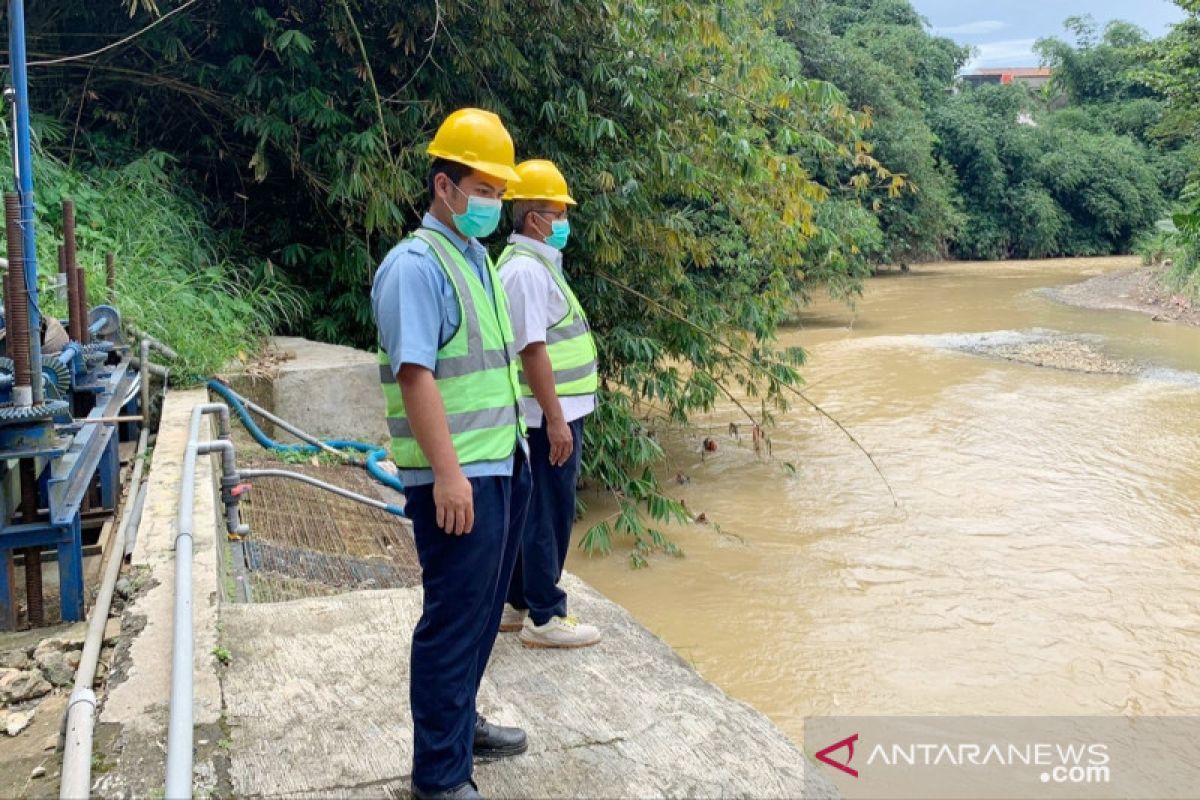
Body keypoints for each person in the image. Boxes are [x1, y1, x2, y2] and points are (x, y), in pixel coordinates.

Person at [371, 108, 531, 800]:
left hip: (503, 465)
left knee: (482, 612)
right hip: (460, 478)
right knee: (451, 620)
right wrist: (447, 475)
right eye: (485, 189)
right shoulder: (415, 266)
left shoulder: (478, 262)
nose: (494, 203)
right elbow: (417, 376)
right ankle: (439, 777)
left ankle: (461, 724)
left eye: (500, 191)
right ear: (445, 187)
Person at [495, 159, 601, 649]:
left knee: (535, 506)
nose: (563, 224)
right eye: (558, 215)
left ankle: (519, 602)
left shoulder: (535, 266)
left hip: (554, 413)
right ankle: (545, 615)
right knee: (548, 511)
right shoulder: (525, 272)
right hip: (546, 417)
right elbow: (532, 348)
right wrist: (556, 419)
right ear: (535, 219)